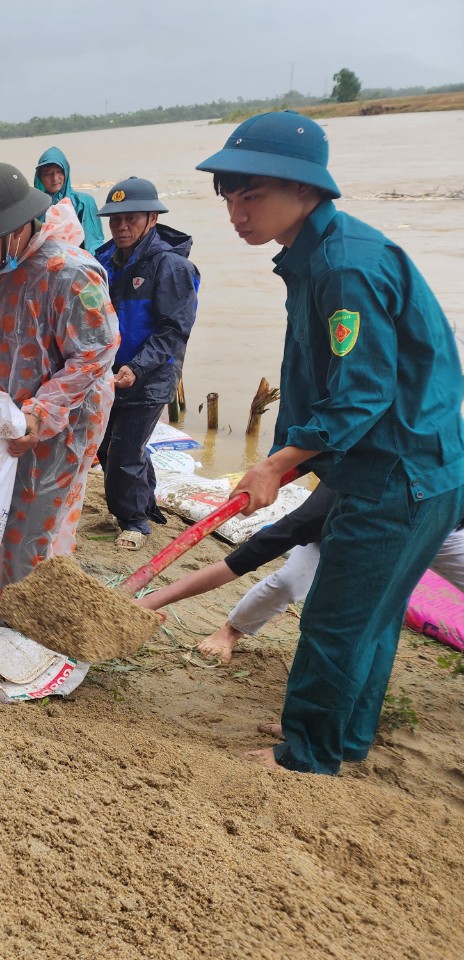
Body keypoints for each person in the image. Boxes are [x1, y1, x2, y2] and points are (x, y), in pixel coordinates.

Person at [196, 110, 464, 775]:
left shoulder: (343, 269)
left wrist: (278, 460)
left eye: (251, 193)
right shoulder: (320, 256)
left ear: (308, 191)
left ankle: (306, 757)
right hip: (418, 466)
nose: (236, 210)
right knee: (372, 616)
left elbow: (362, 394)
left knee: (335, 621)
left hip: (395, 472)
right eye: (228, 195)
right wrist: (288, 462)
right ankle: (341, 737)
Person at [0, 161, 118, 590]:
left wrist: (41, 411)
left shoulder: (70, 274)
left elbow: (95, 352)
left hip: (61, 423)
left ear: (16, 229)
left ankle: (23, 614)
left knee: (32, 518)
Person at [140, 485, 464, 664]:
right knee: (288, 583)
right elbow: (235, 564)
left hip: (439, 526)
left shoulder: (439, 480)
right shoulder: (321, 511)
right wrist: (155, 599)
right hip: (344, 527)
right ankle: (231, 631)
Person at [93, 176, 200, 550]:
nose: (122, 227)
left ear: (152, 218)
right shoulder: (103, 260)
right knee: (108, 448)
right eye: (115, 220)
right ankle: (145, 503)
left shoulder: (171, 267)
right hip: (110, 375)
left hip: (151, 375)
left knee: (125, 451)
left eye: (131, 219)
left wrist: (136, 368)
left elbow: (175, 329)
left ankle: (135, 523)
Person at [34, 146, 103, 252]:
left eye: (59, 172)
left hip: (78, 262)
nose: (55, 178)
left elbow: (94, 243)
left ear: (66, 172)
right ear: (40, 178)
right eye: (48, 174)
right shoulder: (34, 207)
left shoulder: (84, 202)